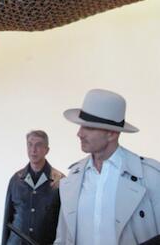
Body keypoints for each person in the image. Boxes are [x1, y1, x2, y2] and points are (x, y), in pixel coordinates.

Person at [55, 88, 160, 245]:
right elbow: (62, 239)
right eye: (81, 126)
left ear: (112, 133)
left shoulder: (150, 177)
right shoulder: (73, 178)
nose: (79, 133)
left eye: (88, 127)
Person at [2, 130, 64, 245]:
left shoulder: (60, 182)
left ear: (47, 150)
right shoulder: (16, 180)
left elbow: (64, 223)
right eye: (30, 144)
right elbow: (7, 219)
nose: (33, 150)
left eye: (38, 145)